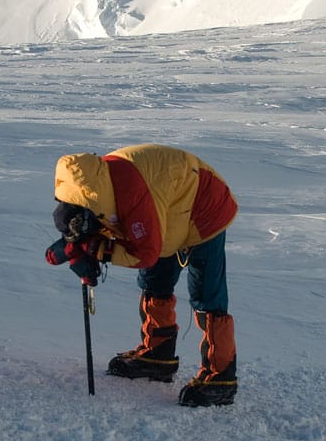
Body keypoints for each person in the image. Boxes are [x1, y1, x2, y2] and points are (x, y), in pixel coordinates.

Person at [45, 143, 240, 407]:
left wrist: (99, 250)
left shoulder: (129, 196)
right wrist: (79, 248)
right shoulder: (90, 193)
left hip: (205, 207)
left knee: (206, 295)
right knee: (154, 280)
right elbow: (106, 226)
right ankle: (158, 354)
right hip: (167, 208)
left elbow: (144, 253)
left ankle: (221, 378)